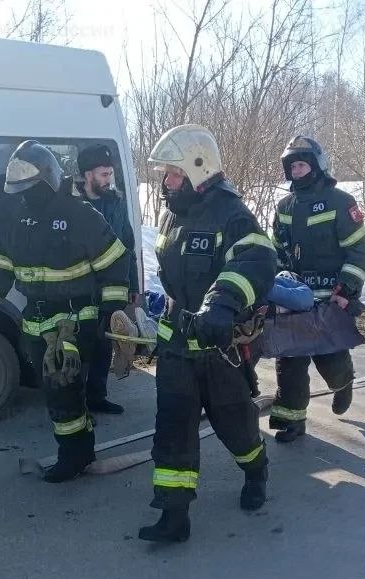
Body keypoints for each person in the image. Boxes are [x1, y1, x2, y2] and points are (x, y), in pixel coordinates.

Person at [138, 123, 277, 543]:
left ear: (199, 169)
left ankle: (256, 470)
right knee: (173, 427)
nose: (166, 181)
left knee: (235, 426)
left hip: (219, 349)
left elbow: (256, 261)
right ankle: (174, 515)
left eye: (174, 173)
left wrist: (221, 303)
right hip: (176, 345)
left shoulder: (233, 214)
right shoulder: (172, 214)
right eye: (165, 173)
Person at [0, 140, 131, 482]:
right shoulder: (15, 220)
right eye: (22, 190)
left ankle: (73, 457)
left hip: (75, 321)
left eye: (33, 188)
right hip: (35, 323)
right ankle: (80, 447)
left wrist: (112, 309)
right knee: (57, 392)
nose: (28, 196)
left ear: (50, 180)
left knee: (62, 388)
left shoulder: (81, 216)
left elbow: (115, 262)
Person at [268, 135, 365, 443]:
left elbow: (359, 251)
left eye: (302, 165)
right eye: (292, 167)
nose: (297, 171)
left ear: (316, 166)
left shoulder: (340, 202)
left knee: (330, 358)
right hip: (294, 297)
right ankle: (292, 421)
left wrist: (347, 289)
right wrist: (273, 283)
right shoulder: (284, 207)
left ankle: (343, 383)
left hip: (331, 296)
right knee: (290, 360)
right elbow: (277, 251)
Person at [75, 144, 140, 415]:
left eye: (110, 173)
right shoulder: (70, 205)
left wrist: (133, 284)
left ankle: (97, 396)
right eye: (104, 174)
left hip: (110, 287)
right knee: (79, 346)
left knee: (104, 342)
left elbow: (127, 245)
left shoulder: (115, 202)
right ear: (87, 175)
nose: (108, 179)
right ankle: (76, 404)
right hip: (79, 288)